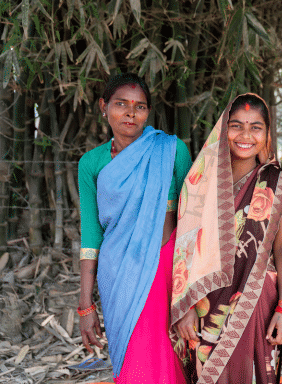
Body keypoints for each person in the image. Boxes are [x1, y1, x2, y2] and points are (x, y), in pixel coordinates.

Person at [170, 93, 282, 384]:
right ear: (223, 130)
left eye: (256, 127)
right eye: (236, 125)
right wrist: (185, 305)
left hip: (254, 300)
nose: (246, 135)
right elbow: (185, 248)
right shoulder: (200, 181)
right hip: (205, 302)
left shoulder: (276, 181)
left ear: (267, 134)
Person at [78, 73, 191, 382]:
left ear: (148, 112)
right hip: (118, 276)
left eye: (140, 107)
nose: (130, 114)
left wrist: (189, 288)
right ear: (103, 107)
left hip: (165, 270)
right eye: (121, 104)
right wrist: (85, 305)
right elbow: (91, 235)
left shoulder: (171, 150)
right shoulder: (91, 163)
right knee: (132, 362)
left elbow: (193, 222)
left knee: (167, 361)